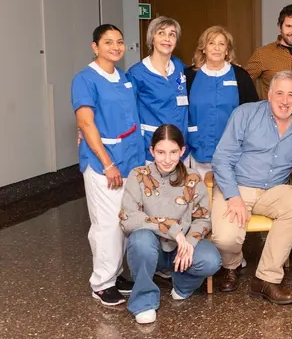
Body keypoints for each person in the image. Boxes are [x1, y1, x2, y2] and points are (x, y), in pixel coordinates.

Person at [210, 71, 292, 302]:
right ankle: (231, 265)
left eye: (291, 95)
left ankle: (266, 279)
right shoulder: (245, 114)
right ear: (269, 94)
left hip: (274, 189)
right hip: (238, 186)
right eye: (279, 93)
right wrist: (233, 197)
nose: (285, 100)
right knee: (225, 239)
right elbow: (221, 159)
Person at [71, 24, 145, 306]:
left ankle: (115, 274)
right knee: (107, 225)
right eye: (108, 42)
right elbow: (86, 123)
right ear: (95, 46)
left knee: (124, 220)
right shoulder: (85, 79)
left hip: (130, 160)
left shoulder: (123, 77)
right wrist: (107, 163)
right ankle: (101, 283)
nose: (115, 47)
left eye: (120, 42)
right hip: (106, 164)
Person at [120, 124, 221, 324]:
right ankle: (144, 302)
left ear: (182, 151)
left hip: (179, 251)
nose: (167, 159)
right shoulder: (138, 175)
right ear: (151, 151)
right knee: (140, 240)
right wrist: (172, 229)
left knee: (211, 260)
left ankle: (182, 284)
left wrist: (189, 243)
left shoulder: (193, 178)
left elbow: (203, 218)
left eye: (173, 152)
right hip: (151, 250)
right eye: (161, 152)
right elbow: (128, 219)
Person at [185, 26, 258, 177]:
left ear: (227, 50)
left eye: (221, 44)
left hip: (233, 155)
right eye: (211, 43)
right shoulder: (189, 76)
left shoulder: (240, 76)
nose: (216, 48)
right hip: (198, 150)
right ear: (203, 48)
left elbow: (253, 115)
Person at [244, 4, 292, 120]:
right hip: (269, 123)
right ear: (279, 26)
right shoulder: (262, 53)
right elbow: (243, 85)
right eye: (289, 26)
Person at [127, 16, 189, 161]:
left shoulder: (179, 67)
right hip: (153, 148)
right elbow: (126, 111)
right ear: (152, 38)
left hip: (180, 147)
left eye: (172, 34)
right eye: (161, 33)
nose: (167, 38)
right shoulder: (136, 73)